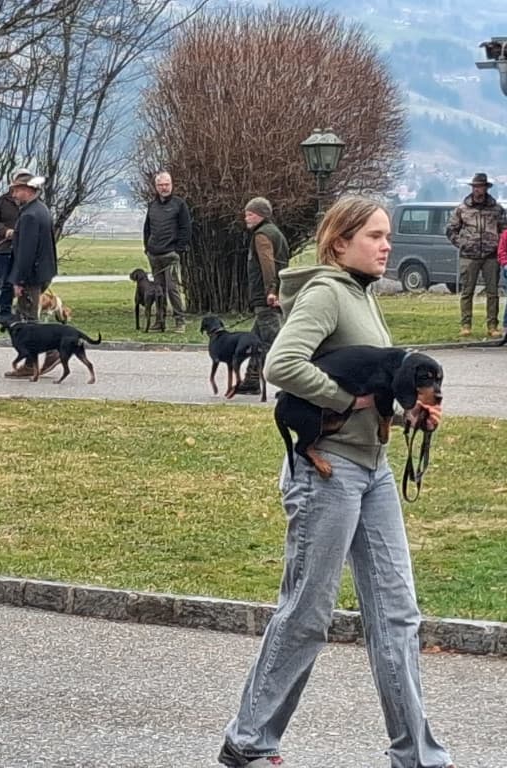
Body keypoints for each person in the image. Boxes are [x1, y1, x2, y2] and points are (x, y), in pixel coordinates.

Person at [218, 197, 452, 768]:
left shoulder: (365, 297)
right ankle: (249, 742)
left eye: (387, 235)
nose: (386, 244)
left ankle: (418, 757)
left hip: (372, 472)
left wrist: (405, 416)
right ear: (338, 242)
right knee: (307, 610)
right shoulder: (326, 291)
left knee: (397, 614)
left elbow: (377, 381)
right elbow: (281, 364)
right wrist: (347, 402)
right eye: (374, 235)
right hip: (327, 473)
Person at [4, 171, 59, 378]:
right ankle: (34, 359)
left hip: (30, 276)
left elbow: (26, 252)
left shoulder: (29, 215)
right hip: (42, 272)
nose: (14, 194)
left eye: (16, 190)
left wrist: (18, 280)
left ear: (28, 190)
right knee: (27, 317)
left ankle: (44, 355)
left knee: (28, 321)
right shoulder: (41, 210)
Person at [234, 197, 289, 396]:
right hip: (271, 293)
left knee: (274, 343)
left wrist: (271, 291)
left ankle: (293, 386)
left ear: (261, 215)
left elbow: (268, 265)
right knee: (256, 341)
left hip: (266, 297)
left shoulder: (262, 235)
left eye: (250, 214)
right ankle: (251, 380)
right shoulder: (274, 232)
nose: (246, 218)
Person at [445, 172, 504, 338]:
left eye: (482, 186)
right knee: (467, 292)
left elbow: (504, 230)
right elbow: (450, 230)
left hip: (491, 256)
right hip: (469, 256)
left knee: (492, 292)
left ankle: (492, 326)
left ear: (486, 187)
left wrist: (498, 245)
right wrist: (462, 243)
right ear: (473, 188)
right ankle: (466, 325)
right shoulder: (462, 209)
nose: (479, 189)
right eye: (476, 186)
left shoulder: (497, 209)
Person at [142, 171, 191, 332]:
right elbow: (147, 228)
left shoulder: (179, 204)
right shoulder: (152, 206)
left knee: (173, 289)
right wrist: (147, 247)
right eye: (161, 185)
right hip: (154, 254)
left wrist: (179, 249)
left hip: (171, 254)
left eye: (167, 184)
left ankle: (180, 321)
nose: (164, 188)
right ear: (156, 187)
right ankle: (159, 321)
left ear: (172, 185)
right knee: (158, 290)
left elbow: (186, 228)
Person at [0, 167, 32, 323]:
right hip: (4, 247)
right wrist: (5, 231)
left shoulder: (31, 204)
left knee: (24, 282)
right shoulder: (2, 201)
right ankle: (4, 314)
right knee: (5, 282)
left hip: (23, 249)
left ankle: (24, 312)